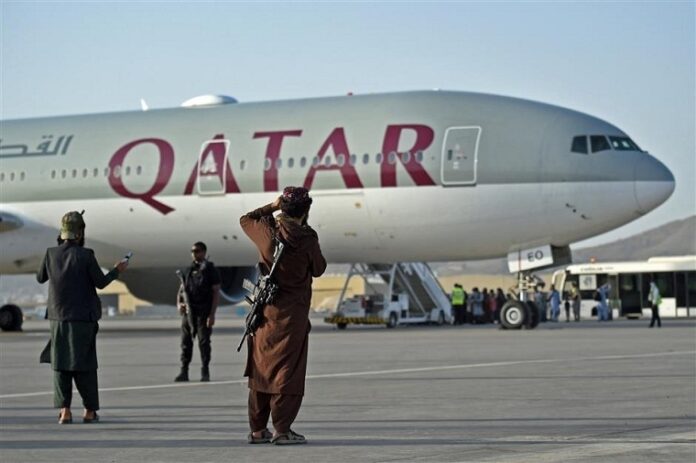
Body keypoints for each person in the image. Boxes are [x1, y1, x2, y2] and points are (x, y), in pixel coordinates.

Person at [240, 186, 326, 445]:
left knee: (261, 371)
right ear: (305, 210)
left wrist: (272, 206)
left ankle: (257, 430)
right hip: (292, 319)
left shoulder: (268, 233)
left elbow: (246, 219)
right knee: (288, 373)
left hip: (264, 315)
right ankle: (282, 430)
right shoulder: (307, 239)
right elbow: (319, 269)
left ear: (283, 207)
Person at [37, 211, 128, 424]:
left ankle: (65, 411)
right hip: (83, 319)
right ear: (79, 233)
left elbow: (41, 277)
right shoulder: (86, 255)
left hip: (58, 318)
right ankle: (89, 411)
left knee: (60, 364)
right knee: (85, 364)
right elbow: (101, 283)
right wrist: (117, 270)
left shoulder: (50, 254)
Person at [175, 242, 221, 382]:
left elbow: (216, 292)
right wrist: (179, 304)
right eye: (193, 251)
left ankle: (205, 370)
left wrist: (212, 314)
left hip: (204, 312)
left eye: (198, 251)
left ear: (204, 252)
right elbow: (181, 290)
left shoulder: (210, 270)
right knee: (185, 342)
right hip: (189, 312)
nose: (194, 254)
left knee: (204, 342)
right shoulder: (188, 270)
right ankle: (184, 370)